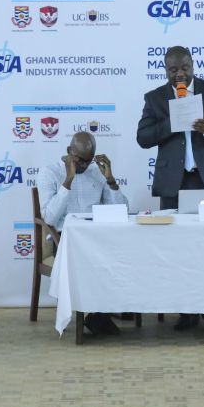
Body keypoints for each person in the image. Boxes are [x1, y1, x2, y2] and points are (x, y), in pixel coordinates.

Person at [136, 45, 204, 335]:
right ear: (165, 70)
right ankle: (186, 311)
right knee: (177, 250)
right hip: (174, 182)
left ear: (192, 65)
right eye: (173, 69)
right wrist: (170, 123)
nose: (179, 74)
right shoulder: (154, 98)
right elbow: (143, 138)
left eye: (184, 68)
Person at [37, 131, 128, 335]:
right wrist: (68, 180)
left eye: (88, 161)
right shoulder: (49, 172)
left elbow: (121, 210)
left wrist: (110, 180)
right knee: (91, 260)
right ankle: (95, 316)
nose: (84, 166)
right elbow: (49, 218)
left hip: (95, 237)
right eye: (80, 160)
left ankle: (100, 315)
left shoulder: (98, 172)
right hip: (64, 239)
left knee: (121, 255)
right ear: (69, 151)